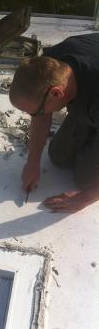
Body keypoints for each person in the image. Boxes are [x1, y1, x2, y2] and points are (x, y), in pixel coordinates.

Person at [9, 33, 99, 213]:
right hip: (88, 95)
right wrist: (32, 162)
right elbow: (40, 116)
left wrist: (86, 198)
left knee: (86, 181)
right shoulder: (48, 65)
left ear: (57, 93)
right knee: (58, 156)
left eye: (36, 111)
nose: (35, 116)